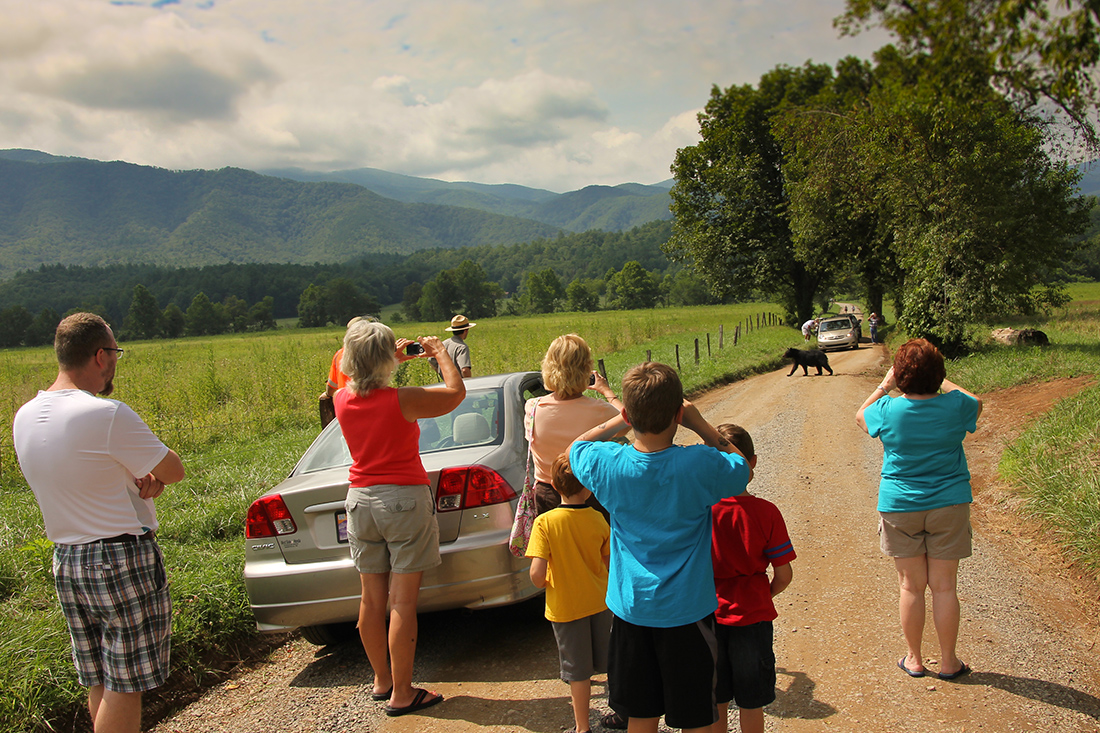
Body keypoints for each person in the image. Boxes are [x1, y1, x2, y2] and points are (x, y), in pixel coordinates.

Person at [12, 312, 186, 733]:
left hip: (67, 558)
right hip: (120, 557)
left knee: (99, 677)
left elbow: (87, 473)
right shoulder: (106, 414)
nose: (115, 364)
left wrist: (139, 478)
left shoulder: (25, 416)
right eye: (115, 353)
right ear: (100, 356)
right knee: (126, 684)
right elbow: (173, 469)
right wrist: (154, 477)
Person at [569, 362, 752, 733]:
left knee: (640, 714)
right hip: (688, 613)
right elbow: (742, 468)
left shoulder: (607, 464)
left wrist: (620, 418)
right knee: (695, 716)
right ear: (678, 415)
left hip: (631, 611)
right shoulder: (699, 464)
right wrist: (701, 425)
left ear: (629, 415)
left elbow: (577, 446)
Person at [333, 321, 465, 716]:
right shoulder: (402, 399)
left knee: (371, 599)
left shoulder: (341, 398)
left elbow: (355, 375)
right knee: (403, 601)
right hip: (403, 498)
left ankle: (382, 680)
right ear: (384, 359)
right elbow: (456, 393)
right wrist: (440, 353)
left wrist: (383, 359)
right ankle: (403, 693)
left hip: (360, 500)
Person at [855, 338, 983, 681]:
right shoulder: (955, 406)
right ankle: (949, 662)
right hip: (949, 503)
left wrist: (885, 385)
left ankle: (914, 658)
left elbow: (860, 416)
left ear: (900, 375)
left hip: (900, 506)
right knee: (945, 587)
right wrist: (941, 381)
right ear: (938, 374)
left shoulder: (888, 409)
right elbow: (976, 402)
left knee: (911, 587)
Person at [710, 424, 795, 733]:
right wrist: (763, 594)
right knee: (751, 701)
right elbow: (783, 574)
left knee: (717, 698)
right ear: (753, 462)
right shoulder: (766, 512)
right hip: (753, 616)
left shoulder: (701, 512)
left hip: (709, 614)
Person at [527, 452, 612, 733]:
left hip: (566, 607)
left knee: (578, 672)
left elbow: (536, 576)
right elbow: (609, 563)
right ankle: (622, 711)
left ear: (553, 485)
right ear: (588, 487)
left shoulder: (545, 523)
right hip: (599, 601)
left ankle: (582, 727)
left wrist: (551, 579)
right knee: (610, 660)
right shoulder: (598, 519)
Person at [526, 334, 627, 518]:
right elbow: (627, 421)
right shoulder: (599, 410)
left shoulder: (532, 408)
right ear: (585, 369)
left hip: (547, 496)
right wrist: (606, 391)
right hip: (589, 494)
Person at [319, 316, 363, 428]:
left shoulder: (339, 354)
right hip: (366, 405)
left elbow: (331, 386)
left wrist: (327, 395)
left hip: (345, 407)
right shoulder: (371, 353)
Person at [430, 314, 475, 379]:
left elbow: (431, 360)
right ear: (466, 330)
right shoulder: (462, 347)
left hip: (447, 382)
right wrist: (468, 382)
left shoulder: (443, 344)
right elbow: (465, 370)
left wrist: (443, 373)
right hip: (460, 382)